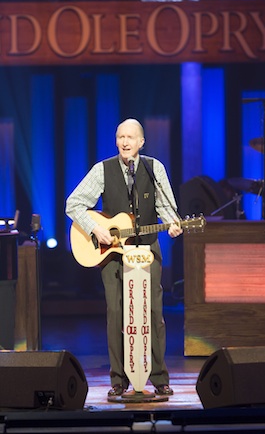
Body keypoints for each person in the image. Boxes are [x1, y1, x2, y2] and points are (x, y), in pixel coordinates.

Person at [65, 118, 183, 397]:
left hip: (147, 248)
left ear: (142, 142)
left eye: (130, 137)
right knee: (116, 312)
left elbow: (166, 206)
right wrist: (96, 229)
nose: (125, 142)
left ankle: (159, 377)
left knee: (154, 312)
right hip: (113, 254)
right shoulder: (102, 170)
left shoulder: (155, 168)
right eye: (120, 137)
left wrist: (174, 223)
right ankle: (118, 379)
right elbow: (74, 203)